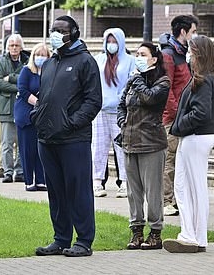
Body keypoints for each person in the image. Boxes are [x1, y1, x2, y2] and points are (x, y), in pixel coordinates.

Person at [31, 15, 102, 257]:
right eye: (52, 29)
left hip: (74, 139)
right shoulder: (50, 63)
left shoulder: (85, 61)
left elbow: (94, 101)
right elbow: (43, 95)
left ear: (73, 33)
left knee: (78, 190)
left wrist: (72, 123)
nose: (55, 34)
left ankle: (84, 240)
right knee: (56, 192)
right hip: (47, 138)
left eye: (60, 30)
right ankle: (61, 238)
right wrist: (37, 115)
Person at [163, 36, 214, 253]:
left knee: (191, 188)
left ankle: (192, 235)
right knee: (186, 186)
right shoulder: (206, 78)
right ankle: (192, 235)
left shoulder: (204, 80)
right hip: (195, 138)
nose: (188, 55)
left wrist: (178, 127)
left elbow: (201, 113)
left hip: (195, 137)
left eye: (191, 51)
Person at [117, 42, 170, 250]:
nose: (138, 57)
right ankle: (136, 231)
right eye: (136, 54)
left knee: (153, 191)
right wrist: (122, 122)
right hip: (130, 142)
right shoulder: (133, 81)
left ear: (154, 59)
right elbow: (122, 104)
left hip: (151, 144)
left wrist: (137, 79)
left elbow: (149, 98)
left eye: (143, 54)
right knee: (133, 192)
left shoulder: (162, 82)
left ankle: (155, 232)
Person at [160, 14, 198, 216]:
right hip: (173, 119)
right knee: (170, 160)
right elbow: (167, 88)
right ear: (183, 32)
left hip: (184, 117)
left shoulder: (184, 54)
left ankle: (174, 198)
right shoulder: (169, 55)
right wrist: (177, 115)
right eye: (193, 31)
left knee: (179, 161)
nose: (195, 35)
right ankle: (166, 200)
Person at [92, 28, 135, 198]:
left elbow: (130, 81)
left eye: (114, 41)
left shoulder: (130, 60)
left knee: (122, 148)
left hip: (120, 110)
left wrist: (120, 98)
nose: (111, 45)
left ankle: (124, 182)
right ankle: (97, 181)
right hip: (101, 110)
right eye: (108, 41)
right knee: (98, 146)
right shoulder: (99, 59)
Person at [14, 43, 50, 191]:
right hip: (26, 115)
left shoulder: (49, 72)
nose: (40, 57)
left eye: (44, 55)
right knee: (27, 150)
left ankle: (41, 180)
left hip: (42, 117)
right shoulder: (26, 71)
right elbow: (22, 90)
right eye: (38, 54)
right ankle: (29, 181)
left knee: (40, 150)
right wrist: (38, 103)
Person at [0, 34, 29, 183]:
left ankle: (19, 171)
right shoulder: (0, 62)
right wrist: (18, 86)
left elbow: (28, 81)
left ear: (21, 47)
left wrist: (11, 77)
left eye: (17, 45)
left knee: (22, 144)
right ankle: (8, 171)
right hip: (6, 108)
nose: (14, 48)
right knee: (6, 143)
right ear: (7, 47)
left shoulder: (27, 62)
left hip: (21, 108)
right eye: (11, 45)